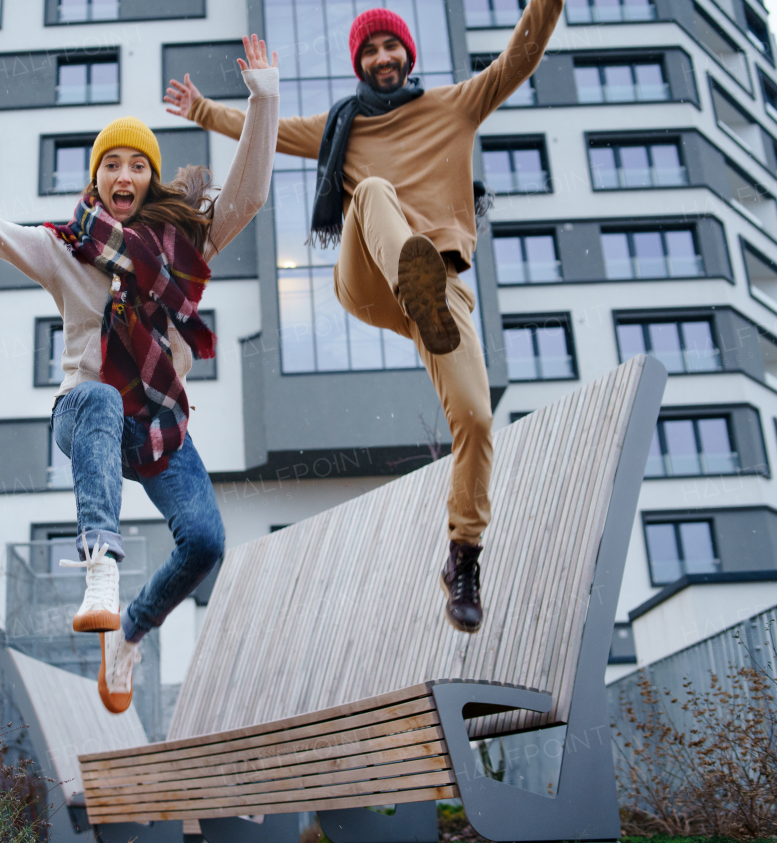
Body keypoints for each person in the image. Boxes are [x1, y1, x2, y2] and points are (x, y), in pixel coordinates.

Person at [0, 37, 280, 713]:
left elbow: (249, 196)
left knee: (206, 541)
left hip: (155, 427)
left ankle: (131, 630)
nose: (124, 176)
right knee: (95, 394)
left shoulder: (181, 246)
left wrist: (263, 99)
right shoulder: (62, 248)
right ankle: (100, 565)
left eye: (137, 166)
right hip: (85, 416)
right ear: (97, 180)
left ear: (149, 180)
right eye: (111, 165)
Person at [166, 2, 563, 634]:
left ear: (409, 55)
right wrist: (203, 111)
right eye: (370, 51)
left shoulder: (457, 107)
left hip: (442, 293)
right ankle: (413, 274)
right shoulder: (341, 128)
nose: (382, 58)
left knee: (479, 418)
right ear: (359, 62)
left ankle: (463, 556)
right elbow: (267, 131)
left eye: (390, 47)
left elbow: (524, 49)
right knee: (374, 191)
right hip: (371, 279)